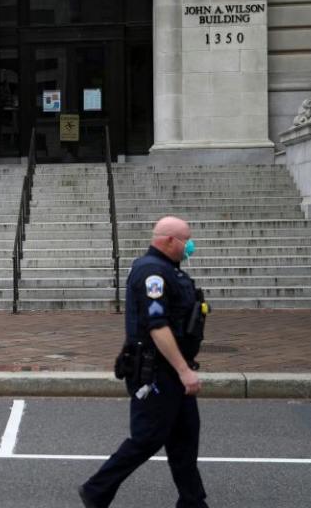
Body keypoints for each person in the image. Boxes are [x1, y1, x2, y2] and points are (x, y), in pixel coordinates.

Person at [79, 215, 209, 508]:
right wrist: (184, 370)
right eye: (186, 240)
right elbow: (157, 326)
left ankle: (193, 502)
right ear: (168, 241)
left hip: (170, 372)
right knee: (146, 439)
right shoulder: (153, 273)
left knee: (185, 439)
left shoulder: (168, 271)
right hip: (156, 373)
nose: (190, 246)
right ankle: (96, 490)